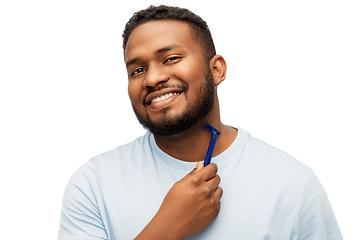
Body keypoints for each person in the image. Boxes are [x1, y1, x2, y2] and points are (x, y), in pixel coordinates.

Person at [58, 5, 342, 240]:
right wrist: (167, 227)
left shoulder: (293, 184)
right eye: (138, 69)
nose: (152, 78)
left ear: (216, 70)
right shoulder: (93, 184)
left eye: (170, 58)